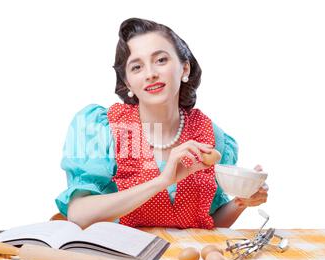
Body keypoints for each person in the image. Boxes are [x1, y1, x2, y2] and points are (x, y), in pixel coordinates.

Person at [55, 18, 268, 229]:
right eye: (137, 67)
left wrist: (241, 202)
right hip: (123, 258)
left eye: (161, 60)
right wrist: (162, 181)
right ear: (128, 82)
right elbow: (78, 214)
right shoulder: (106, 128)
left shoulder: (208, 135)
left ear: (184, 68)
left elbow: (208, 224)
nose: (150, 74)